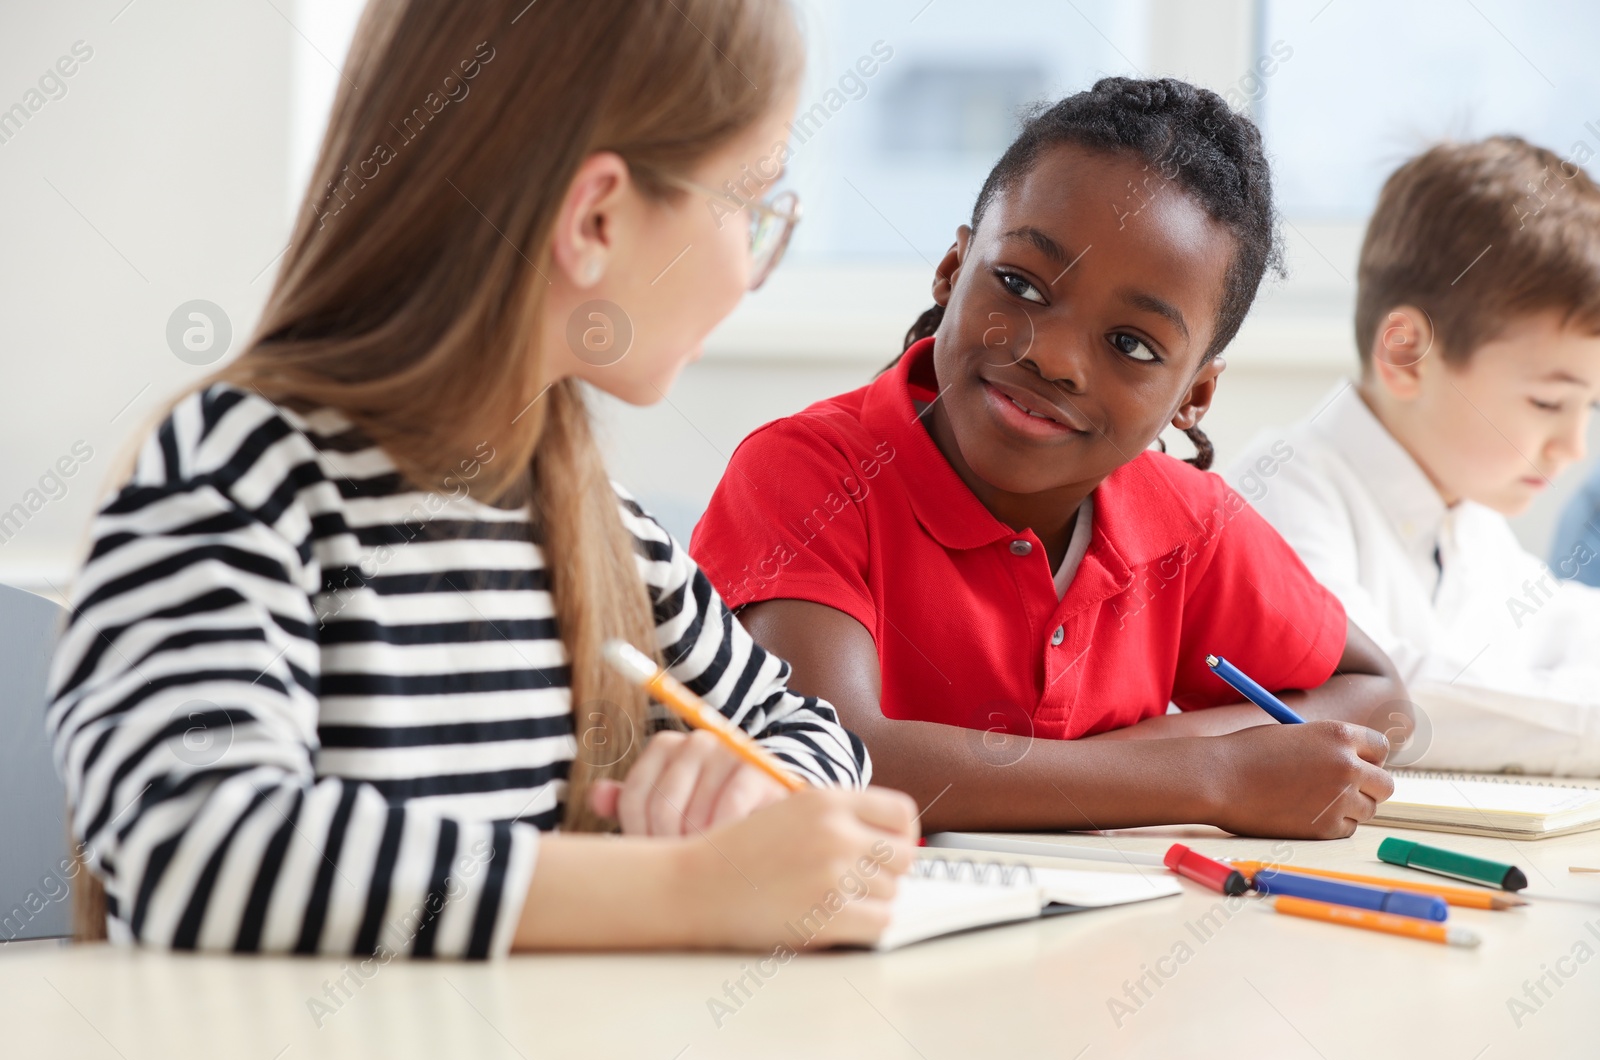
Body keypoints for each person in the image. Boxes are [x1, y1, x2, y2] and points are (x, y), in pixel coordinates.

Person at [47, 0, 918, 959]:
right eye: (749, 206)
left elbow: (813, 733)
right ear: (594, 219)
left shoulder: (599, 529)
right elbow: (197, 849)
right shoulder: (234, 475)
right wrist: (690, 887)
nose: (757, 267)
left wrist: (745, 781)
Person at [689, 78, 1406, 840]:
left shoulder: (1186, 522)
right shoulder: (809, 471)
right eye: (1021, 284)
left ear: (1193, 395)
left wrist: (1131, 755)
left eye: (1131, 344)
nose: (1056, 358)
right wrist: (1213, 775)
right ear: (951, 269)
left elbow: (1379, 695)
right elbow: (834, 755)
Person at [1228, 136, 1600, 776]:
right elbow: (1382, 701)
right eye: (1547, 403)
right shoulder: (1282, 492)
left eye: (1590, 408)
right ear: (1406, 355)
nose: (1573, 449)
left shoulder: (1469, 518)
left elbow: (1566, 629)